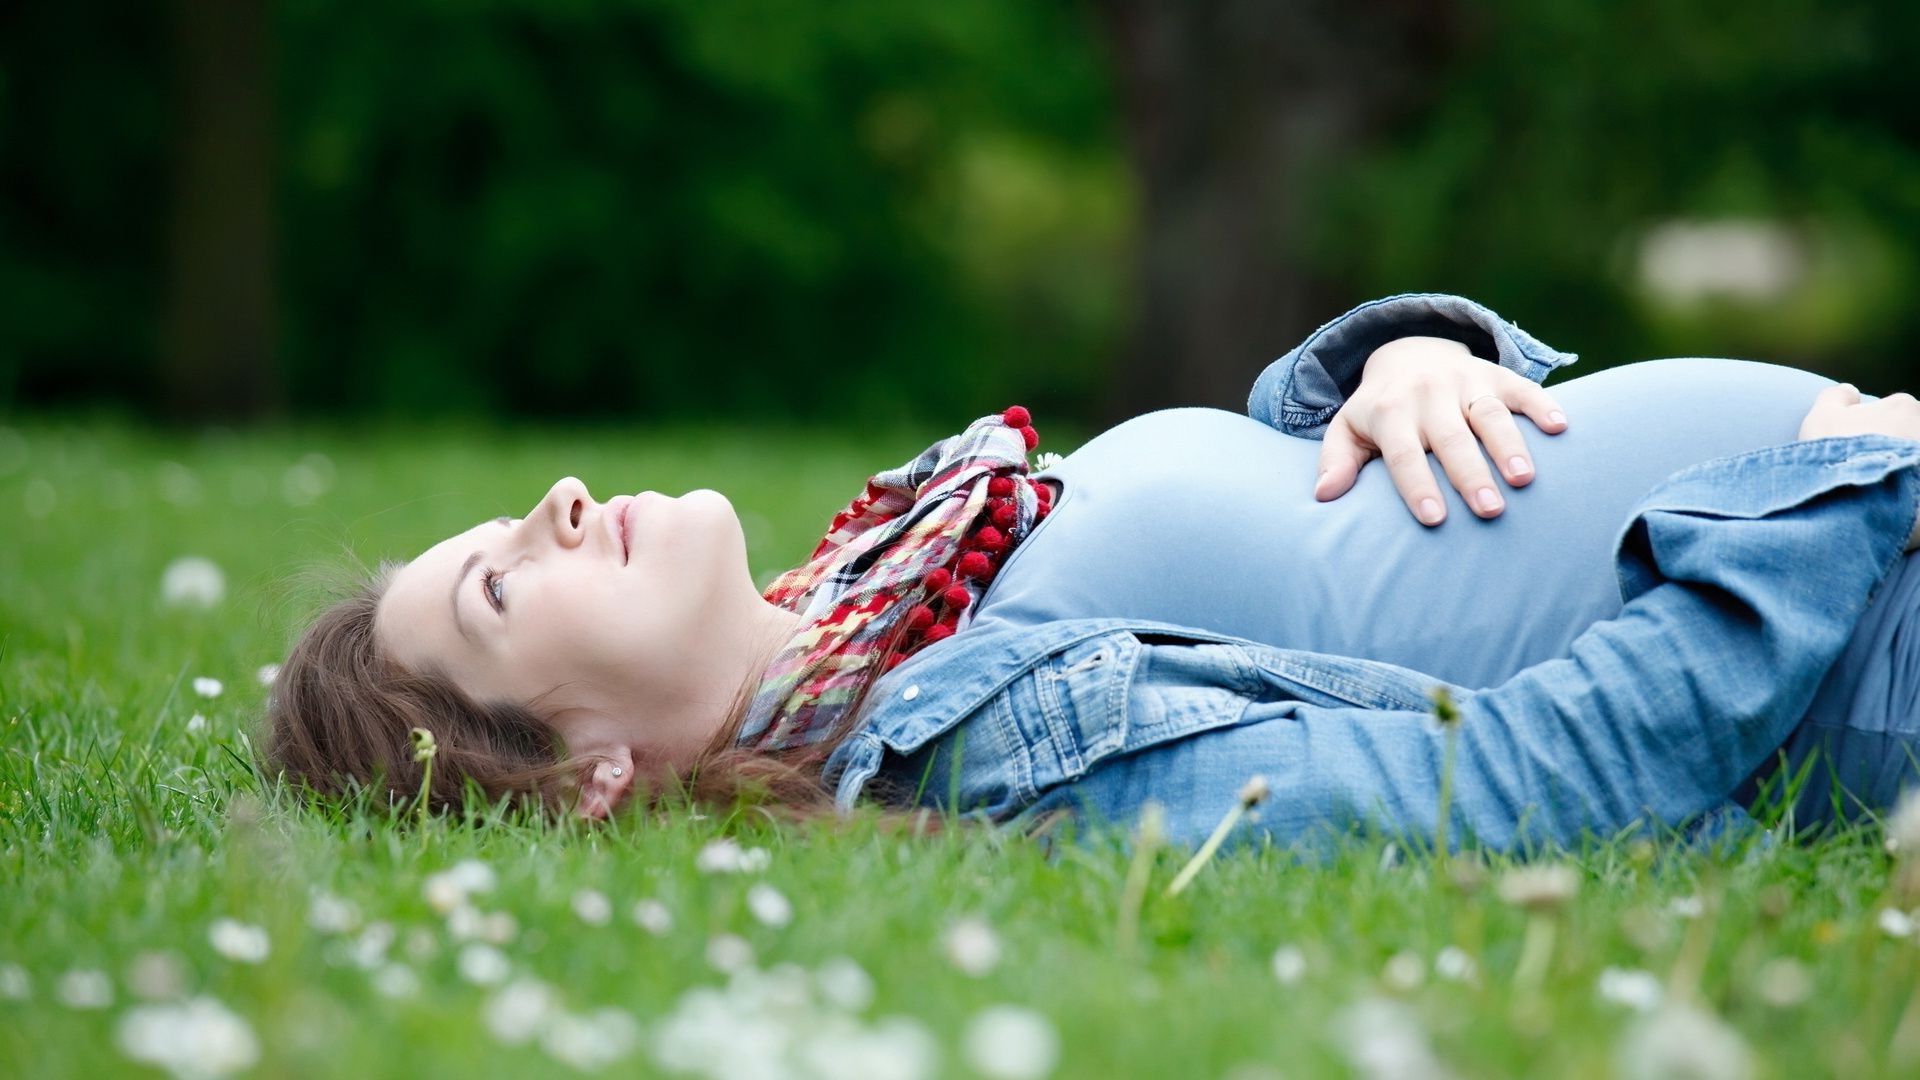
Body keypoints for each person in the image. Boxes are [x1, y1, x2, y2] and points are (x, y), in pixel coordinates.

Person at [263, 295, 1920, 852]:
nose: (556, 498)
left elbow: (1302, 502)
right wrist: (1830, 493)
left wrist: (1408, 356)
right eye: (501, 585)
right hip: (1864, 639)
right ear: (583, 778)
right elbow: (1516, 788)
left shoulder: (913, 566)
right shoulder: (972, 744)